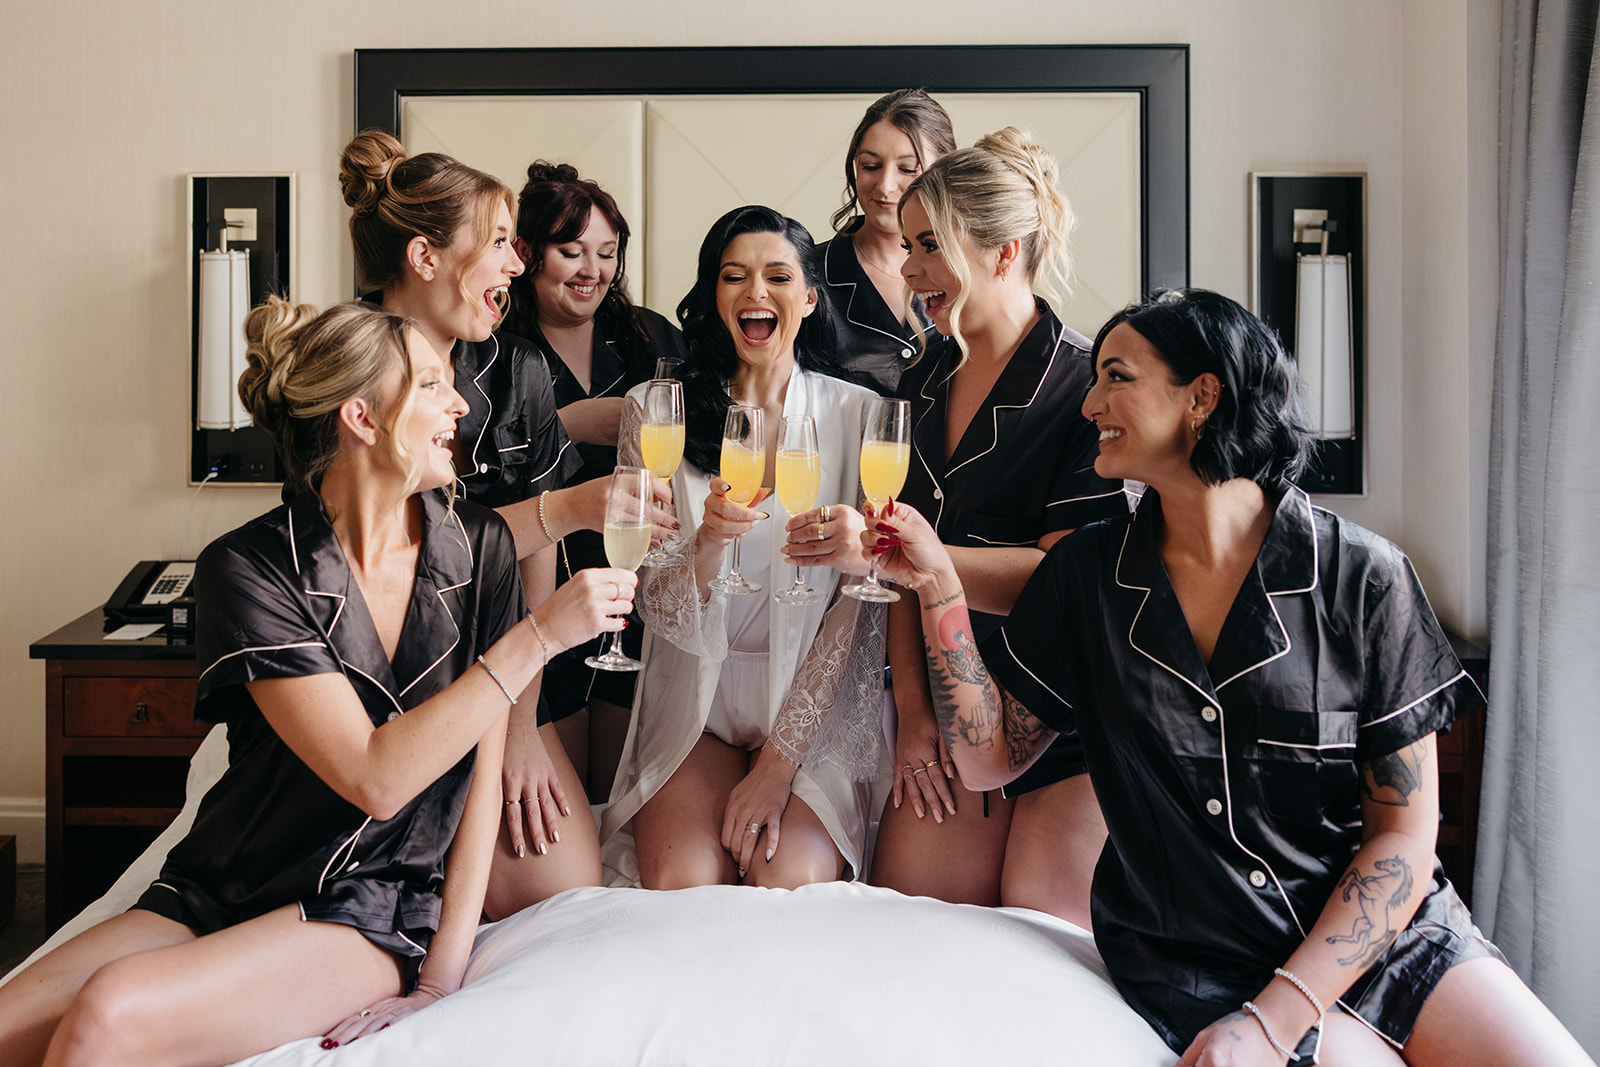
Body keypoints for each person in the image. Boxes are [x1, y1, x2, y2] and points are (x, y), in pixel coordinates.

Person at [866, 288, 1596, 1067]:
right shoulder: (1088, 575)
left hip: (1388, 935)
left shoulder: (1364, 578)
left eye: (1117, 376)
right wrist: (937, 583)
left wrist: (1280, 1016)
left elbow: (1404, 837)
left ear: (1202, 397)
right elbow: (988, 757)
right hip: (1205, 956)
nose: (1089, 403)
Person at [0, 298, 634, 1066]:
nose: (461, 404)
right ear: (361, 418)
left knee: (108, 1014)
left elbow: (477, 777)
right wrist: (537, 638)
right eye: (431, 384)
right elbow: (374, 770)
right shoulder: (250, 567)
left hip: (362, 903)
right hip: (221, 884)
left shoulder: (483, 549)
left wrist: (440, 977)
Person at [340, 132, 670, 915]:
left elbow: (536, 568)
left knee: (565, 891)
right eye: (497, 243)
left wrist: (520, 724)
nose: (515, 265)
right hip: (374, 680)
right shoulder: (343, 370)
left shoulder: (518, 370)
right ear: (425, 257)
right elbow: (384, 548)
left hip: (504, 668)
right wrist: (566, 508)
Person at [809, 128, 1125, 924]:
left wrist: (918, 560)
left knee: (1043, 927)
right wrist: (915, 715)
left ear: (1003, 252)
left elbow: (1065, 576)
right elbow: (897, 578)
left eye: (928, 246)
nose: (909, 269)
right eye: (908, 247)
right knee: (912, 928)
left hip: (1063, 715)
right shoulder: (919, 379)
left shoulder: (1085, 390)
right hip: (950, 709)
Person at [599, 206, 886, 889]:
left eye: (778, 276)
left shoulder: (860, 415)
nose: (756, 291)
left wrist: (778, 765)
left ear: (809, 298)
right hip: (694, 701)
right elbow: (651, 599)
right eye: (735, 276)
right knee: (684, 885)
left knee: (789, 884)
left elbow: (859, 607)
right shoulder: (655, 408)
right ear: (714, 295)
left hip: (811, 708)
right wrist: (704, 544)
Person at [499, 161, 689, 801]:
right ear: (526, 253)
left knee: (616, 795)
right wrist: (571, 423)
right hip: (537, 587)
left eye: (606, 254)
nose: (592, 271)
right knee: (559, 796)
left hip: (635, 586)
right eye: (571, 251)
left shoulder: (648, 338)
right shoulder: (498, 351)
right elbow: (482, 477)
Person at [816, 88, 955, 396]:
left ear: (943, 171)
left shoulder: (969, 274)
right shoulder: (809, 274)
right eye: (870, 166)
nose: (885, 186)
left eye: (908, 169)